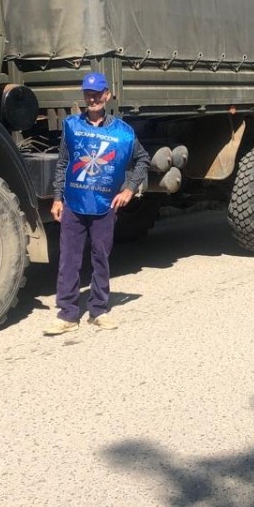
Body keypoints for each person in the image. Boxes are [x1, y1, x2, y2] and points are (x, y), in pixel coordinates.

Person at [48, 71, 150, 334]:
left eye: (97, 94)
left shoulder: (124, 134)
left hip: (105, 205)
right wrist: (57, 198)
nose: (92, 99)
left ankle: (98, 311)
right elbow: (62, 163)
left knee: (100, 258)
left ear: (107, 95)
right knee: (69, 259)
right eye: (88, 94)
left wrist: (129, 189)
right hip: (73, 203)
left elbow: (143, 159)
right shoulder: (71, 126)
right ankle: (68, 314)